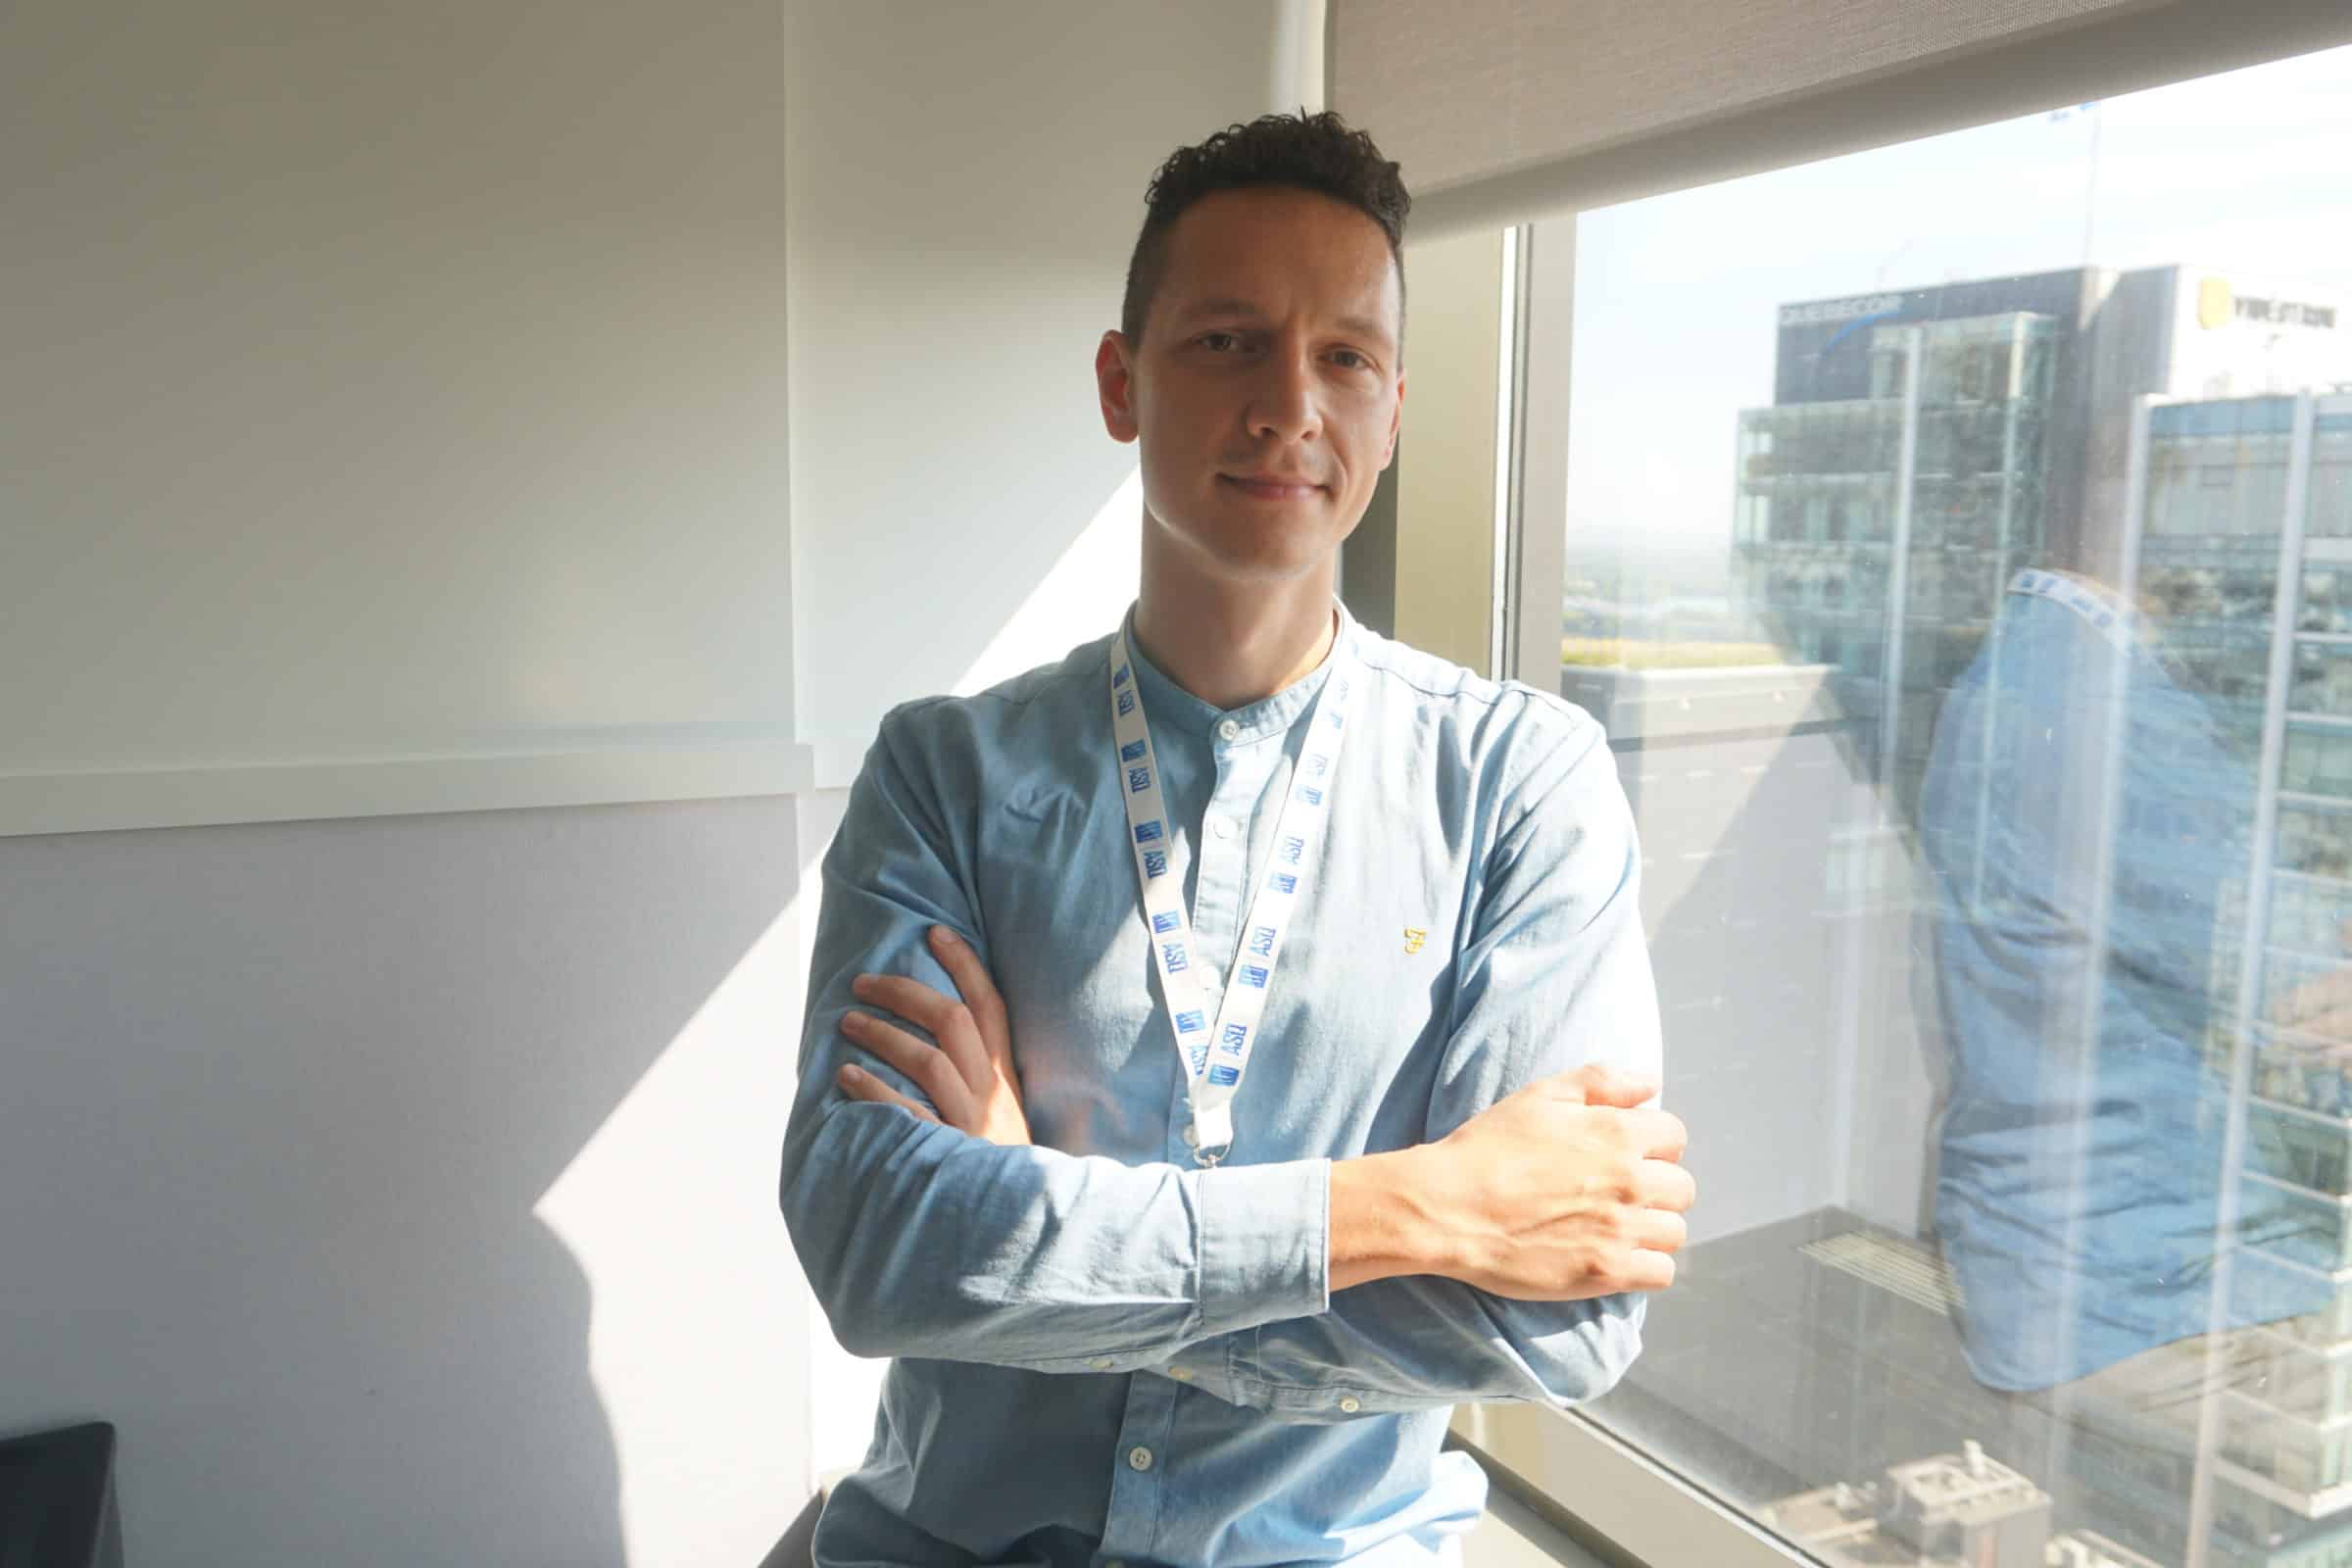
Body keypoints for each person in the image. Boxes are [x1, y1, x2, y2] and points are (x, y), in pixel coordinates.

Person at [778, 112, 1692, 1568]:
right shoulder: (945, 772)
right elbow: (875, 1249)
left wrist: (1047, 1243)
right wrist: (1415, 1208)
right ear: (1119, 383)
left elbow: (1564, 1318)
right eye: (1224, 342)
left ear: (1394, 408)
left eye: (1344, 356)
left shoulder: (1524, 783)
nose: (1289, 406)